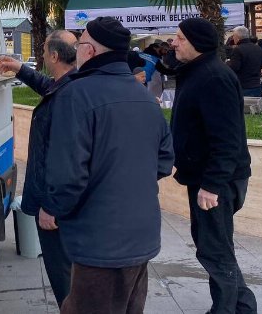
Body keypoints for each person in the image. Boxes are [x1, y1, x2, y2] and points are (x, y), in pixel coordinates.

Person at [42, 17, 174, 314]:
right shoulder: (146, 98)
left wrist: (54, 208)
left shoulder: (76, 95)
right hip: (141, 236)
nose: (76, 50)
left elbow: (67, 177)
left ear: (89, 51)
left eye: (79, 44)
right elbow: (165, 161)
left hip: (99, 242)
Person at [170, 17, 257, 314]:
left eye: (180, 38)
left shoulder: (213, 77)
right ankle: (242, 307)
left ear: (197, 43)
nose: (174, 43)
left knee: (215, 250)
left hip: (216, 181)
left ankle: (227, 309)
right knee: (214, 246)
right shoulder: (197, 71)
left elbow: (227, 139)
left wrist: (212, 185)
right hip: (205, 177)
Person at [0, 30, 77, 306]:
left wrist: (50, 206)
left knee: (63, 273)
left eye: (43, 50)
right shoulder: (69, 84)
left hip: (56, 208)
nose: (41, 55)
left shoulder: (69, 95)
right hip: (62, 204)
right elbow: (48, 86)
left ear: (54, 56)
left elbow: (64, 158)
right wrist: (19, 68)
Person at [226, 26, 262, 98]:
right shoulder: (258, 48)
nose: (233, 38)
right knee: (255, 105)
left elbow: (235, 67)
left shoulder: (238, 50)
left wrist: (227, 63)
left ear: (238, 37)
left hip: (243, 86)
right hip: (256, 85)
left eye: (233, 36)